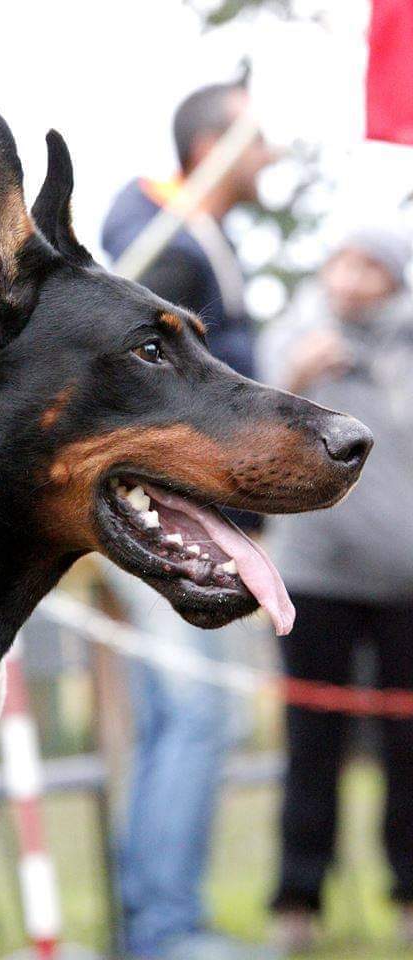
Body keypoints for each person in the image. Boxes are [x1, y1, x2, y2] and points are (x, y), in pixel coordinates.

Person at [100, 82, 277, 960]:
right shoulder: (162, 243)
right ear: (213, 146)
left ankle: (156, 921)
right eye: (257, 138)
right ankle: (166, 930)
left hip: (196, 517)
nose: (271, 155)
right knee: (196, 715)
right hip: (169, 516)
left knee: (185, 718)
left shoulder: (198, 238)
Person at [257, 223, 413, 952]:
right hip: (314, 580)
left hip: (405, 584)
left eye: (368, 266)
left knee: (409, 749)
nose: (350, 279)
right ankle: (298, 901)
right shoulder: (291, 335)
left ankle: (409, 896)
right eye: (341, 262)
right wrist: (295, 380)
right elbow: (247, 436)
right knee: (311, 744)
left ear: (394, 279)